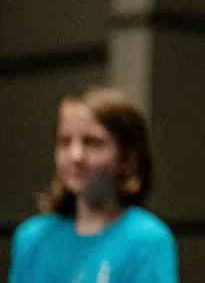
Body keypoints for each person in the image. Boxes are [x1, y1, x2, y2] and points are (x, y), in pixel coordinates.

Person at [9, 87, 178, 282]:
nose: (76, 156)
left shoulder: (147, 239)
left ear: (127, 158)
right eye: (65, 142)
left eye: (92, 142)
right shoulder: (32, 239)